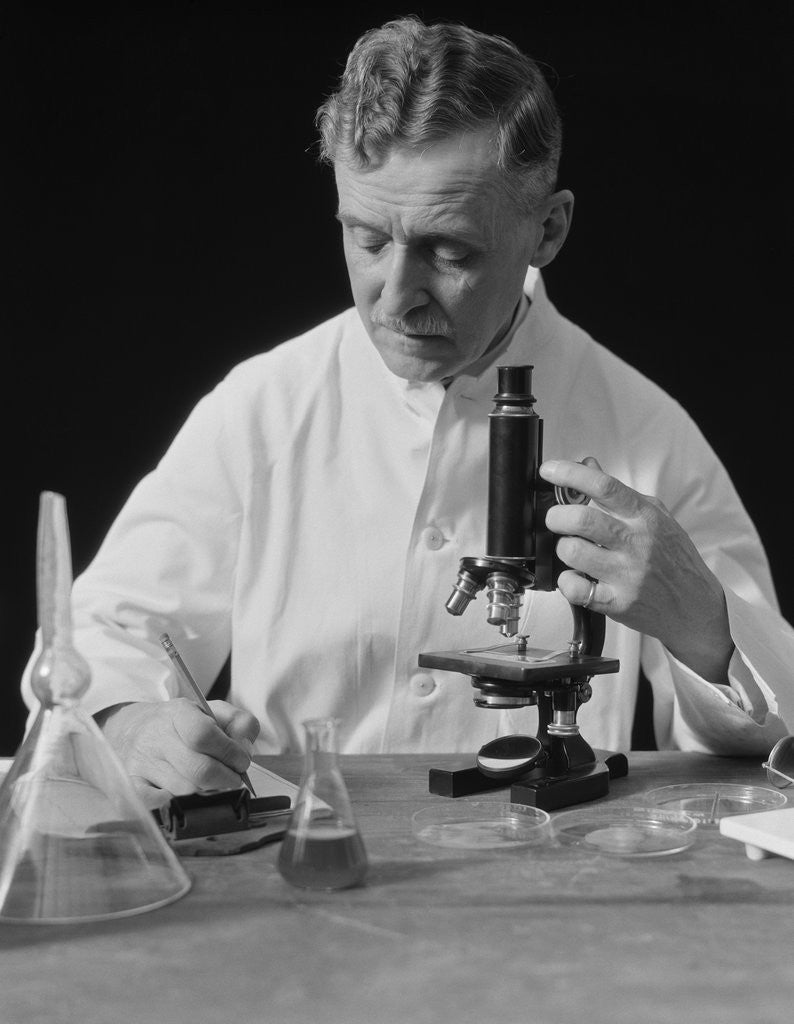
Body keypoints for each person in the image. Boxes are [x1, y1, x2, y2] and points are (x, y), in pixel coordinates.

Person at [22, 16, 794, 807]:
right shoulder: (263, 408)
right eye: (366, 238)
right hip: (310, 853)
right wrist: (129, 724)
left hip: (554, 882)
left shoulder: (646, 431)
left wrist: (705, 626)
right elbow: (102, 634)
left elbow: (771, 740)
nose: (394, 298)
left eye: (450, 251)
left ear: (549, 229)